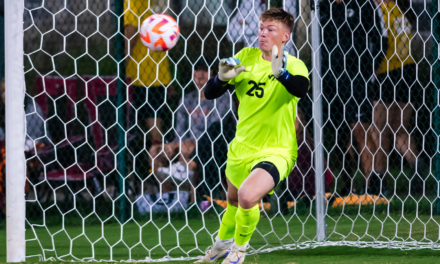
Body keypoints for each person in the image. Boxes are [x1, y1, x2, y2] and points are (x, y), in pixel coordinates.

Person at [195, 8, 309, 264]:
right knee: (234, 201)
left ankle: (238, 252)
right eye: (261, 28)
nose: (263, 33)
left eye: (270, 29)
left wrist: (282, 74)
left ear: (285, 36)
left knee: (248, 196)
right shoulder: (245, 56)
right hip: (242, 147)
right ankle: (219, 248)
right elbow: (211, 92)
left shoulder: (293, 64)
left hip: (276, 150)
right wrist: (221, 79)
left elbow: (301, 88)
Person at [141, 61, 234, 213]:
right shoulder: (187, 99)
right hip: (185, 144)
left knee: (189, 149)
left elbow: (216, 131)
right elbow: (179, 130)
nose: (200, 74)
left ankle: (192, 202)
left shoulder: (223, 97)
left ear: (212, 74)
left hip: (210, 146)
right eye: (197, 70)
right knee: (155, 151)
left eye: (205, 70)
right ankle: (168, 203)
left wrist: (186, 145)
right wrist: (173, 147)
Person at [320, 0, 387, 196]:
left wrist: (368, 70)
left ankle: (374, 185)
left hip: (358, 76)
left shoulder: (364, 5)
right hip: (330, 78)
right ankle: (347, 186)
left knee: (360, 128)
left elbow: (381, 40)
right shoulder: (323, 7)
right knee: (338, 135)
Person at [370, 0, 422, 195]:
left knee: (379, 131)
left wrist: (371, 72)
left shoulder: (380, 9)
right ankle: (417, 165)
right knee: (400, 129)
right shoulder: (403, 9)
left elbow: (380, 41)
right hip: (408, 72)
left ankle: (379, 181)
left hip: (385, 72)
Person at [124, 0, 172, 147]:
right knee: (153, 122)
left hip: (141, 73)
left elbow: (131, 31)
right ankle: (156, 163)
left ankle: (155, 164)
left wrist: (122, 65)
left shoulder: (132, 2)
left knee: (146, 125)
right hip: (155, 70)